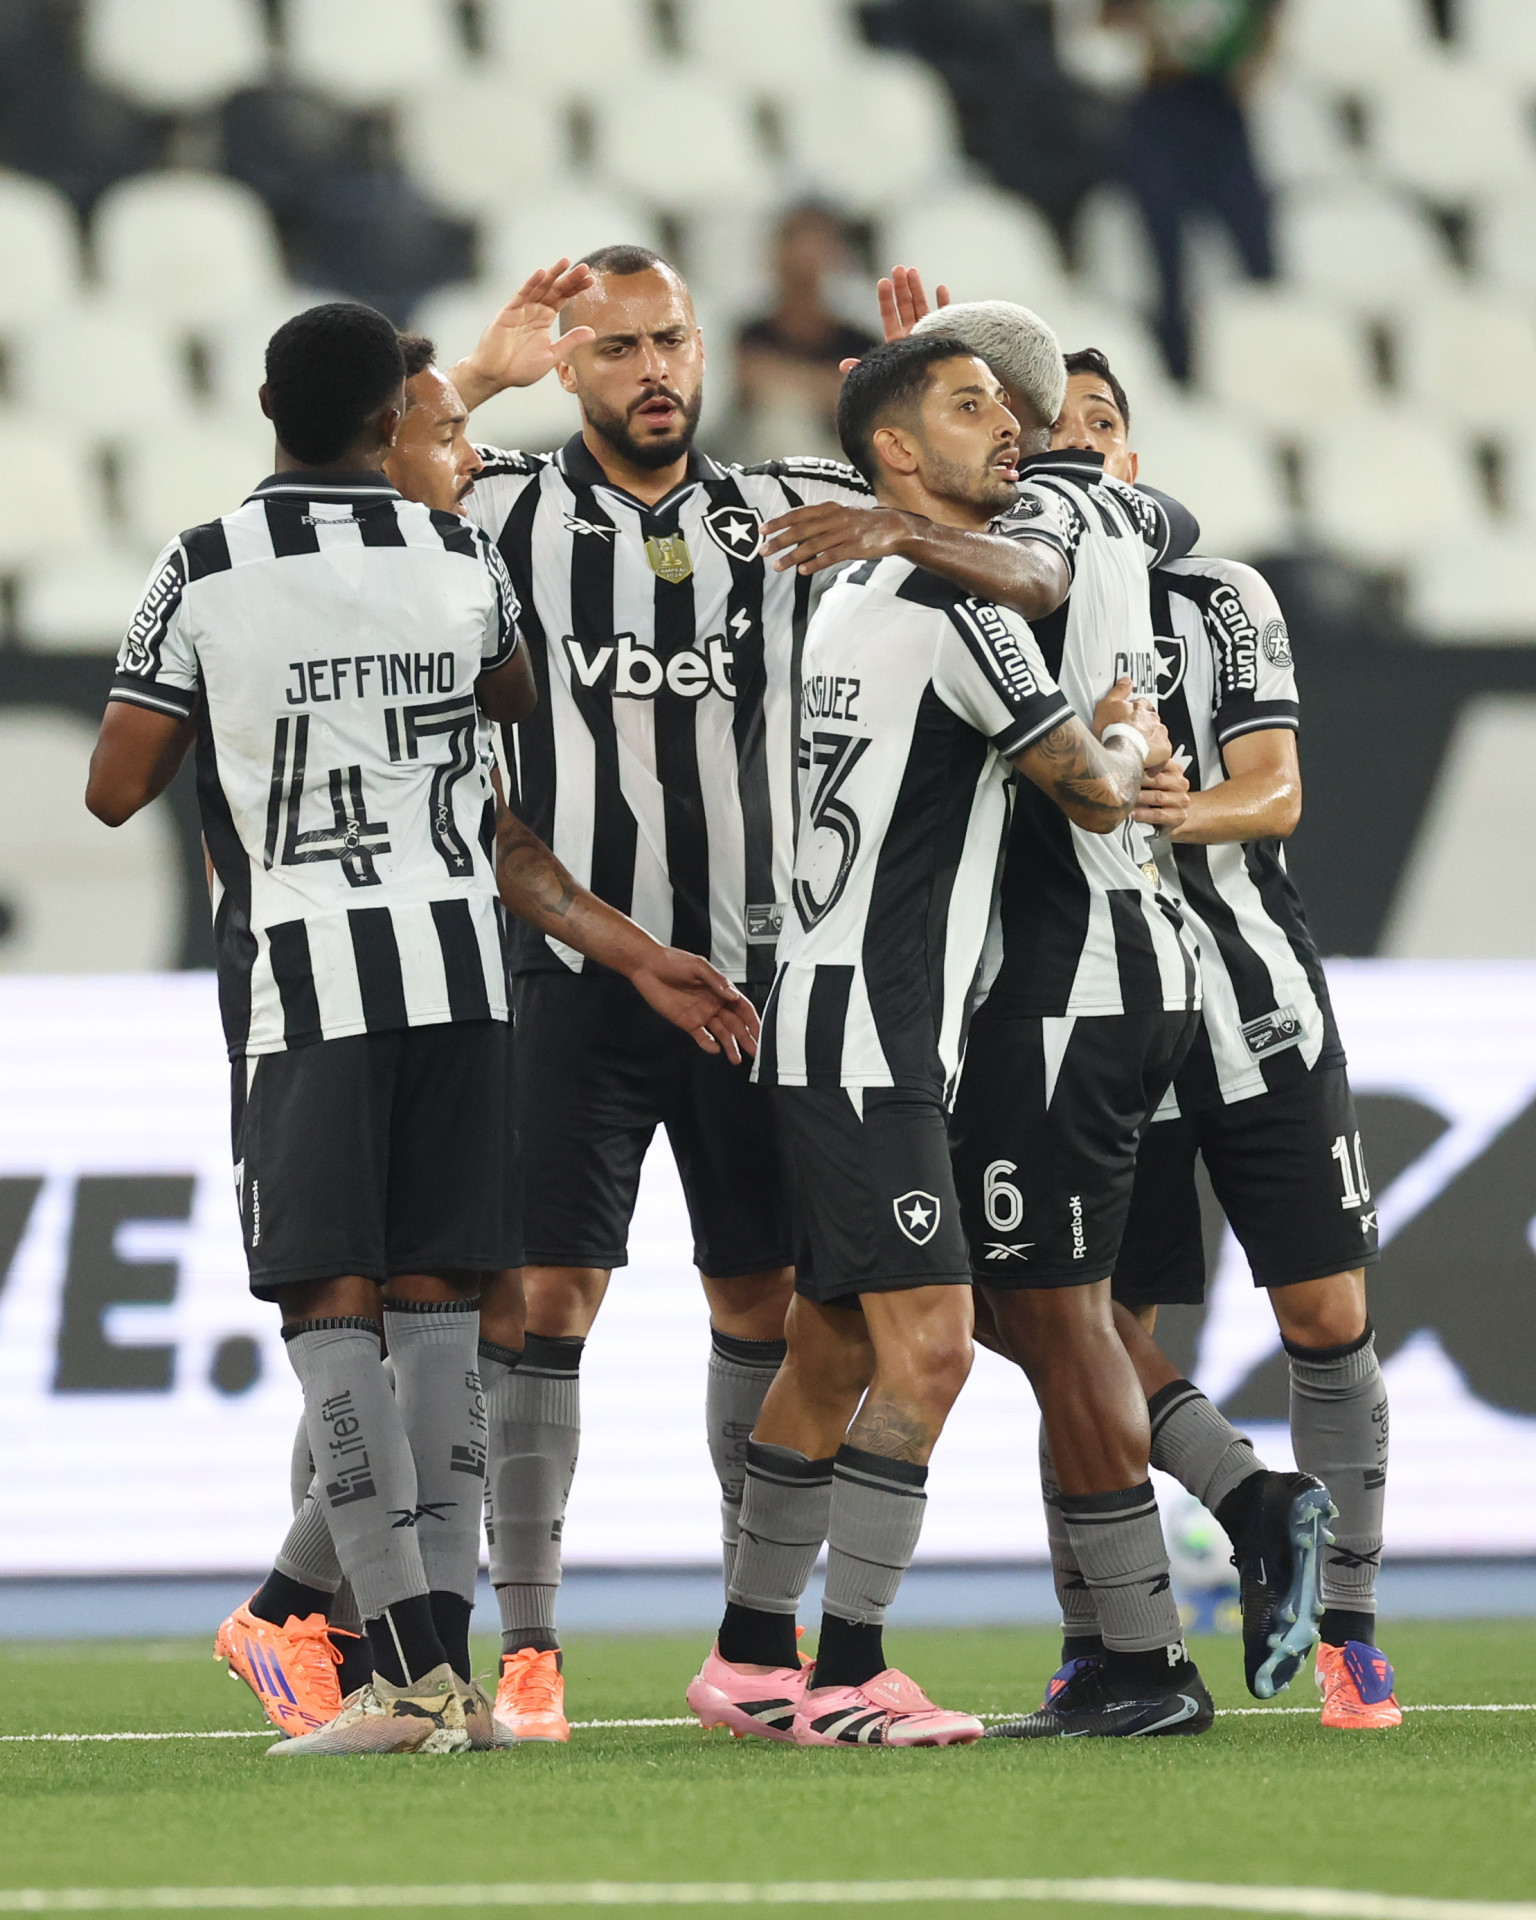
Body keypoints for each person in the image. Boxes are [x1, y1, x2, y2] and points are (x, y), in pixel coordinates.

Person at [441, 244, 1078, 1743]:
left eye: (671, 342)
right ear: (572, 366)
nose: (653, 370)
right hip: (584, 966)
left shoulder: (783, 500)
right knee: (546, 1296)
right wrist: (473, 379)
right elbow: (358, 494)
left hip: (760, 975)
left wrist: (912, 406)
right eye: (615, 351)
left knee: (773, 1299)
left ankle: (766, 1635)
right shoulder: (516, 504)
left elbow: (943, 543)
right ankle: (528, 1647)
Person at [211, 325, 758, 1744]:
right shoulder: (346, 586)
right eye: (446, 439)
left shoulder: (455, 584)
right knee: (416, 1311)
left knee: (456, 1313)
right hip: (421, 987)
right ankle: (332, 1617)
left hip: (503, 972)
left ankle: (338, 1619)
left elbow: (500, 831)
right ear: (384, 447)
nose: (471, 460)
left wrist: (645, 954)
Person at [850, 276, 1335, 1737]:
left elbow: (1039, 577)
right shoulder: (1144, 511)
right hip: (1128, 974)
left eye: (990, 404)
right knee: (1038, 1310)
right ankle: (1231, 1520)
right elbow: (1120, 533)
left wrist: (903, 525)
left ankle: (1145, 1650)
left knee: (1052, 1322)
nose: (992, 431)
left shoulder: (1046, 519)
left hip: (1064, 984)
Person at [686, 334, 1173, 1748]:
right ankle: (848, 1675)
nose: (1011, 425)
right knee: (936, 1351)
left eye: (1011, 406)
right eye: (971, 408)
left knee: (832, 1351)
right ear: (895, 451)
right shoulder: (963, 606)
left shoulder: (861, 589)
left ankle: (745, 1657)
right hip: (878, 1037)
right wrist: (1133, 739)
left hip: (827, 1017)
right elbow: (1089, 793)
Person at [85, 302, 531, 1757]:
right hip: (462, 964)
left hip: (307, 977)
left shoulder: (207, 563)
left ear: (269, 400)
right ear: (393, 415)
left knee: (332, 1307)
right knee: (441, 1315)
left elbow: (113, 784)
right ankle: (448, 1674)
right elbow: (513, 692)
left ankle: (397, 1680)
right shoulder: (463, 552)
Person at [1048, 348, 1399, 1731]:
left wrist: (1166, 809)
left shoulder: (1219, 595)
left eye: (1106, 424)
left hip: (1253, 1008)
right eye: (1055, 429)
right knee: (1080, 1332)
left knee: (1325, 1315)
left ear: (1136, 454)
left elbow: (1279, 790)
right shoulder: (999, 609)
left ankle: (1350, 1633)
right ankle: (1116, 1634)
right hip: (1088, 1015)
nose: (1086, 446)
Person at [1104, 0, 1281, 380]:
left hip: (1221, 107)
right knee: (1166, 268)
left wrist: (1248, 51)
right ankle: (1175, 379)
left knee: (1261, 261)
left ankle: (1264, 372)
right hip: (1158, 105)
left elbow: (1267, 18)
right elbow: (1107, 23)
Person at [733, 203, 879, 461]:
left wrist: (784, 379)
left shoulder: (861, 340)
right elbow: (750, 386)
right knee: (781, 423)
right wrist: (828, 387)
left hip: (841, 461)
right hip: (768, 464)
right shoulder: (751, 333)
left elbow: (861, 409)